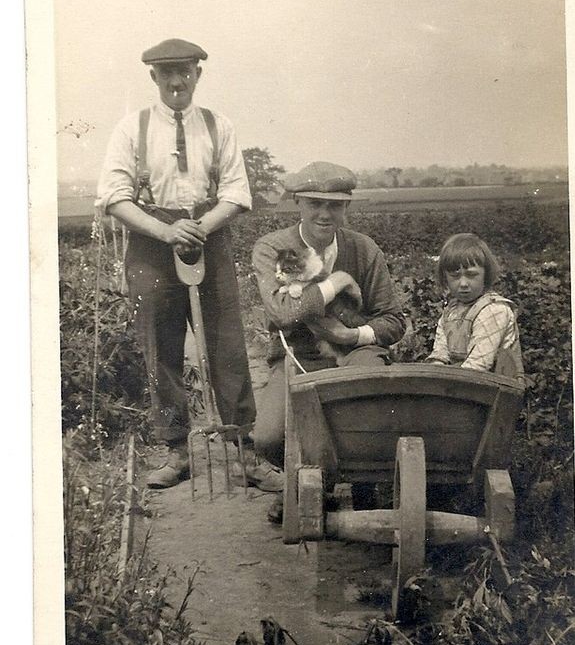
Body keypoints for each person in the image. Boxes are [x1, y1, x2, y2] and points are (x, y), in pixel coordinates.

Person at [96, 38, 256, 488]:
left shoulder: (218, 125)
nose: (176, 81)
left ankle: (244, 449)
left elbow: (237, 193)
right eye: (167, 73)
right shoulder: (133, 128)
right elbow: (113, 196)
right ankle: (175, 450)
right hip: (151, 240)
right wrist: (166, 231)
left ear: (198, 75)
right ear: (154, 78)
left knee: (228, 343)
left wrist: (201, 225)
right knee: (160, 345)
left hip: (210, 231)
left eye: (184, 71)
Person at [251, 161, 407, 517]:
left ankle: (366, 483)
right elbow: (282, 314)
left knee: (370, 416)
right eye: (314, 203)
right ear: (298, 203)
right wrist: (336, 282)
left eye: (334, 205)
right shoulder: (273, 247)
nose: (324, 214)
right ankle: (310, 477)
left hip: (355, 350)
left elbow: (394, 320)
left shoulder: (364, 249)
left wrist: (353, 335)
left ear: (346, 206)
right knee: (268, 438)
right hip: (298, 355)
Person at [425, 233, 524, 379]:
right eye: (455, 276)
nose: (463, 283)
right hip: (461, 383)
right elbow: (440, 353)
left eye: (471, 275)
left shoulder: (494, 310)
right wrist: (434, 372)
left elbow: (478, 365)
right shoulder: (451, 311)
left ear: (486, 275)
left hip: (494, 389)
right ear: (445, 277)